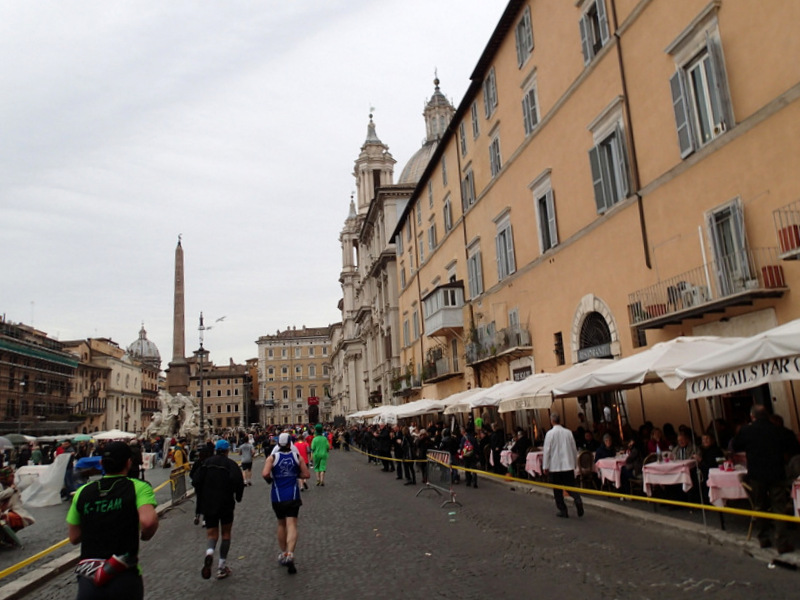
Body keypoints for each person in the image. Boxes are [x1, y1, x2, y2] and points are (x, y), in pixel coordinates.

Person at [66, 442, 158, 600]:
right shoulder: (138, 487)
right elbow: (148, 522)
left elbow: (74, 537)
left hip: (89, 576)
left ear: (101, 463)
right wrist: (146, 535)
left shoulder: (83, 491)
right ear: (129, 463)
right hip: (123, 572)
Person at [732, 405, 795, 554]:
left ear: (752, 416)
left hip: (757, 475)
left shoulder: (747, 430)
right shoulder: (777, 430)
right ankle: (781, 542)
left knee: (759, 506)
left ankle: (763, 538)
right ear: (767, 416)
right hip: (777, 473)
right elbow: (790, 446)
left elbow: (735, 445)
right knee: (778, 507)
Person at [194, 439, 244, 580]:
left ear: (216, 449)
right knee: (226, 533)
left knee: (212, 534)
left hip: (209, 504)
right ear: (227, 450)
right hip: (226, 503)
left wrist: (203, 494)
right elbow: (238, 482)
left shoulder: (206, 463)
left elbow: (196, 480)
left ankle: (209, 553)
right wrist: (238, 497)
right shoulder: (231, 464)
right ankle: (221, 567)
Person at [263, 432, 311, 574]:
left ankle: (283, 553)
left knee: (281, 524)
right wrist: (295, 475)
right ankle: (290, 553)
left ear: (278, 444)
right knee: (292, 524)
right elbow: (307, 474)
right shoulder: (297, 457)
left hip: (277, 496)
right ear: (290, 443)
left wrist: (271, 480)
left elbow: (265, 474)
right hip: (293, 495)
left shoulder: (272, 457)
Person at [542, 412, 584, 519]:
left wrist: (545, 466)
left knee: (557, 490)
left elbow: (547, 451)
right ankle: (577, 499)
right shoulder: (568, 432)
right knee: (570, 485)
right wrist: (574, 463)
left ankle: (563, 510)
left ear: (552, 421)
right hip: (567, 465)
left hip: (555, 466)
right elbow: (574, 449)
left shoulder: (550, 434)